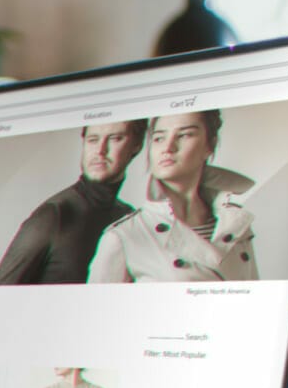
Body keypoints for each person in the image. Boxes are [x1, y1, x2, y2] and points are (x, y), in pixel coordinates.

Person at [88, 110, 261, 282]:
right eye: (159, 138)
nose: (168, 148)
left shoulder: (235, 223)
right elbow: (97, 308)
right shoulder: (124, 236)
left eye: (184, 135)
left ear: (210, 145)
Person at [0, 120, 147, 285]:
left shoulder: (128, 216)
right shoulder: (54, 215)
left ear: (137, 145)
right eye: (93, 139)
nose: (100, 151)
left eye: (114, 138)